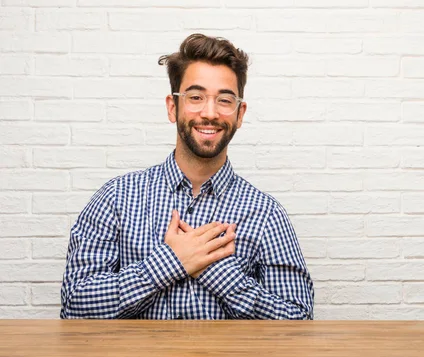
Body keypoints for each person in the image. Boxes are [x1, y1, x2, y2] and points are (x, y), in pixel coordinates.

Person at [60, 34, 314, 320]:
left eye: (224, 100)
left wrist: (215, 271)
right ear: (173, 107)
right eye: (195, 97)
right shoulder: (116, 198)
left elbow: (298, 323)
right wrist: (173, 261)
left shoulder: (266, 214)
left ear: (240, 114)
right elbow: (75, 306)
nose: (210, 112)